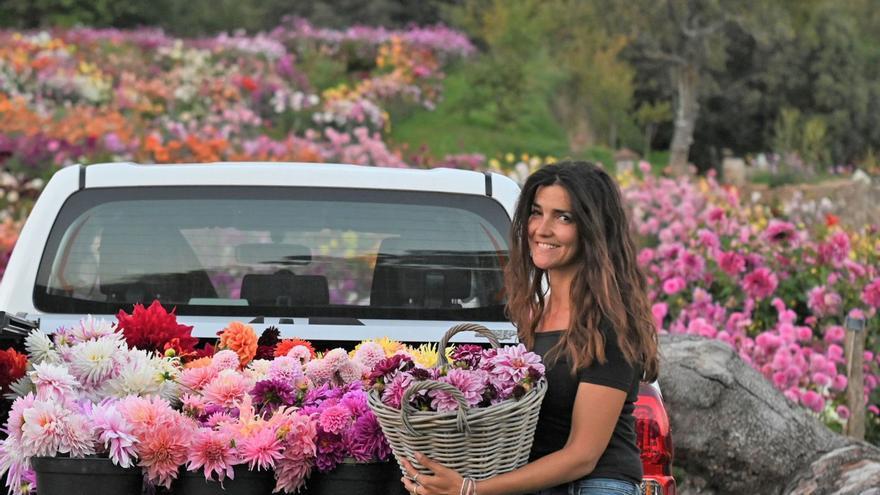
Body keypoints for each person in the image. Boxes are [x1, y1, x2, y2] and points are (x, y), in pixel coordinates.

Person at [400, 161, 660, 495]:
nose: (542, 229)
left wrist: (471, 488)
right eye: (537, 213)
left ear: (594, 230)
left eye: (563, 217)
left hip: (596, 485)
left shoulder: (608, 325)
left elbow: (582, 456)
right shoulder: (533, 317)